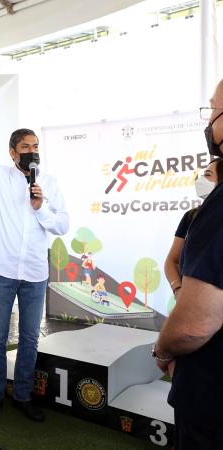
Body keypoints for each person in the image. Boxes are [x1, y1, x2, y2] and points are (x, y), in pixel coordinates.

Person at [0, 99, 69, 423]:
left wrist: (41, 207)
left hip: (35, 273)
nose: (32, 151)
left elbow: (62, 225)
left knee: (30, 338)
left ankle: (23, 395)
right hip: (1, 271)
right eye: (25, 147)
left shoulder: (50, 183)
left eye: (35, 146)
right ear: (12, 152)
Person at [154, 79, 223, 449]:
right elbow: (172, 261)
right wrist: (181, 289)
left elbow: (193, 327)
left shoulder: (218, 208)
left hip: (211, 405)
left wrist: (163, 350)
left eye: (213, 109)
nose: (209, 120)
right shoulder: (195, 215)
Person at [164, 158, 223, 299]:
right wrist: (178, 289)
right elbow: (172, 260)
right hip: (192, 302)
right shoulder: (191, 216)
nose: (201, 180)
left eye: (208, 175)